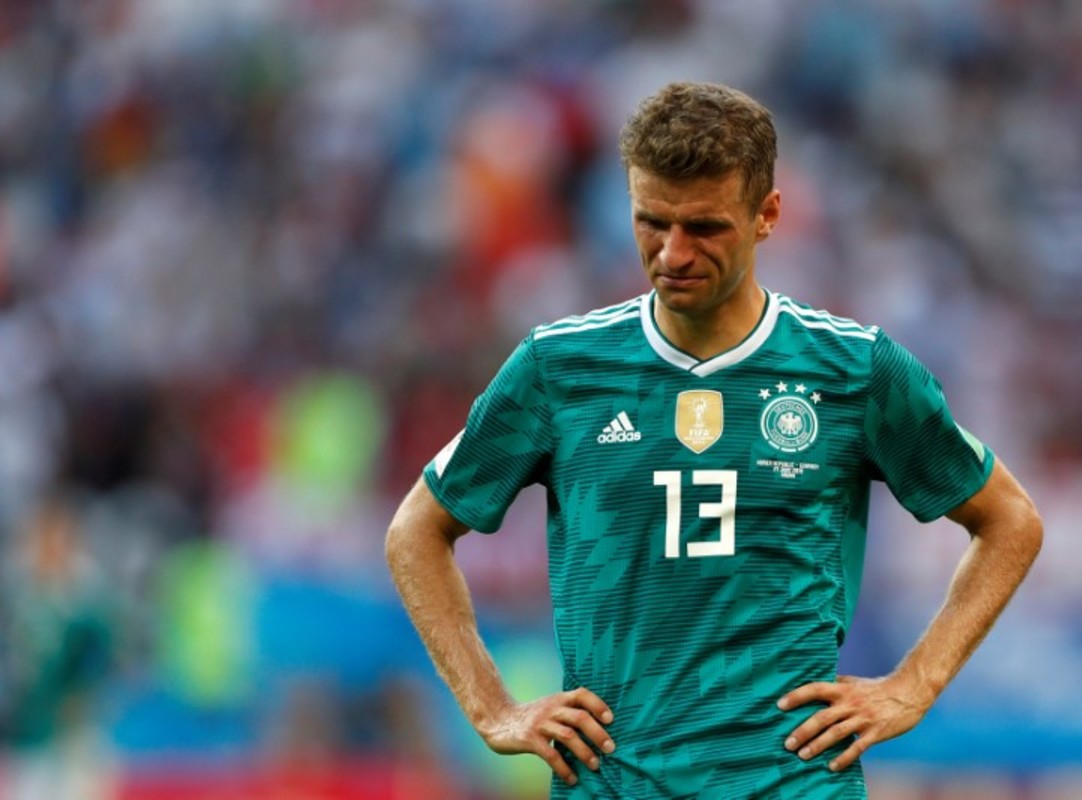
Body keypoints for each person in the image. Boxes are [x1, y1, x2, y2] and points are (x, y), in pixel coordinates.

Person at [386, 81, 1043, 799]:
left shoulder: (852, 369)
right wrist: (493, 710)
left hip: (790, 786)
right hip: (616, 786)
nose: (673, 253)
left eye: (704, 227)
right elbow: (417, 528)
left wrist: (914, 686)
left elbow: (1009, 520)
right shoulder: (562, 367)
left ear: (767, 216)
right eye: (651, 221)